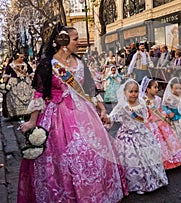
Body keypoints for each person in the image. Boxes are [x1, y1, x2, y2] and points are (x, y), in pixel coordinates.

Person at [18, 25, 128, 202]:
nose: (79, 42)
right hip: (56, 116)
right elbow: (38, 93)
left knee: (91, 152)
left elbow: (90, 90)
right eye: (75, 39)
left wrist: (101, 109)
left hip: (84, 112)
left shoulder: (80, 63)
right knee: (61, 158)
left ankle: (95, 193)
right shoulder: (47, 65)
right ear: (63, 42)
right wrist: (32, 121)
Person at [106, 79, 168, 194]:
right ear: (125, 92)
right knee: (131, 160)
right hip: (127, 136)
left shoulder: (142, 103)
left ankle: (148, 181)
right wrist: (107, 118)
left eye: (136, 91)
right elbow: (113, 117)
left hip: (142, 134)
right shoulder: (122, 105)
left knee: (148, 157)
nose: (134, 94)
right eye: (131, 91)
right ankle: (136, 184)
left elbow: (144, 117)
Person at [140, 77, 181, 169]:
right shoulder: (143, 100)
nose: (157, 89)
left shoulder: (158, 99)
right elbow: (143, 113)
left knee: (168, 141)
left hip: (160, 122)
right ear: (148, 89)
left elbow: (161, 110)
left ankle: (173, 159)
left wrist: (165, 115)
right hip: (150, 123)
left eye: (158, 87)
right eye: (155, 87)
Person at [2, 51, 34, 119]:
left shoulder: (26, 64)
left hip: (26, 83)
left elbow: (31, 72)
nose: (22, 58)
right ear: (16, 57)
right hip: (14, 83)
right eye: (21, 57)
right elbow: (6, 74)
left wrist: (32, 78)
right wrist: (4, 84)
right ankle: (16, 114)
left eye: (23, 57)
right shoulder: (11, 65)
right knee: (13, 97)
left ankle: (27, 113)